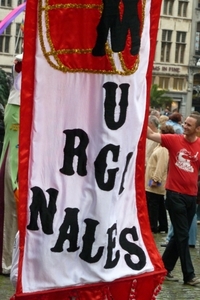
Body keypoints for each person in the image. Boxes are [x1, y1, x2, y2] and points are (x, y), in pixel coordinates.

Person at [147, 113, 200, 286]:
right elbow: (150, 134)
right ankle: (189, 275)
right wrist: (138, 113)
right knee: (183, 234)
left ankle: (164, 268)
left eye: (189, 125)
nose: (185, 126)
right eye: (184, 123)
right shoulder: (174, 140)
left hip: (191, 197)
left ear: (198, 129)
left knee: (179, 234)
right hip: (174, 195)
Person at [0, 53, 22, 275]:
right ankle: (7, 258)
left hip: (22, 112)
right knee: (11, 193)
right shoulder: (20, 64)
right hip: (17, 113)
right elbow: (19, 62)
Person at [145, 124, 174, 234]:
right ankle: (163, 226)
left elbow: (161, 166)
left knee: (153, 204)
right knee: (159, 204)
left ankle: (153, 226)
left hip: (155, 182)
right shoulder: (160, 147)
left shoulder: (163, 149)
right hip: (155, 180)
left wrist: (155, 180)